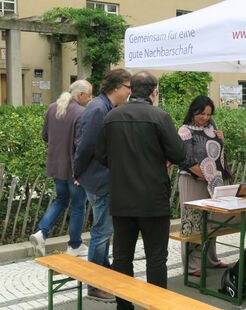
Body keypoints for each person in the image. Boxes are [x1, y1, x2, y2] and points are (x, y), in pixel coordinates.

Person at [95, 71, 185, 310]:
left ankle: (124, 307)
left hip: (122, 197)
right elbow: (179, 154)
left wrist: (122, 165)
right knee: (156, 257)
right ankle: (156, 306)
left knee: (122, 257)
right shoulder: (160, 116)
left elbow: (101, 155)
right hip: (153, 198)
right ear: (154, 92)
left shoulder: (112, 116)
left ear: (132, 89)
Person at [73, 68, 132, 300]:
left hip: (102, 179)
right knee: (101, 232)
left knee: (104, 231)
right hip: (99, 181)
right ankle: (94, 285)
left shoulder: (104, 107)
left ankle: (103, 276)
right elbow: (85, 146)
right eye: (128, 87)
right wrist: (77, 172)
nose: (130, 91)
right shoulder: (98, 109)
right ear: (117, 88)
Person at [30, 80, 92, 258]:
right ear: (80, 95)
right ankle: (74, 245)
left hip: (56, 166)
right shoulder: (81, 112)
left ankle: (41, 233)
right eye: (89, 95)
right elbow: (80, 146)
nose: (90, 99)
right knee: (78, 206)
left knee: (61, 200)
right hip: (74, 169)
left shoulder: (52, 108)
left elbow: (45, 136)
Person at [177, 95, 231, 276]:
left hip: (211, 182)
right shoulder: (185, 130)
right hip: (192, 181)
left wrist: (222, 140)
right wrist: (207, 175)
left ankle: (210, 260)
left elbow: (217, 153)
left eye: (208, 114)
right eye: (201, 114)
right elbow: (187, 159)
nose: (205, 118)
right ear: (193, 111)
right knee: (192, 222)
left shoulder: (212, 126)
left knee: (211, 221)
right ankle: (192, 266)